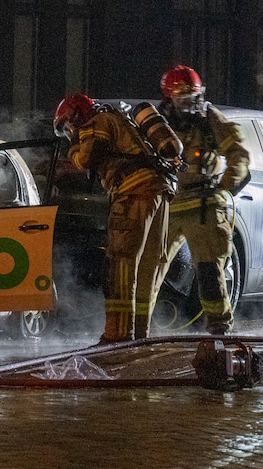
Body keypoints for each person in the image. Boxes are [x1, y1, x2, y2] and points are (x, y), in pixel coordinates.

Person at [53, 94, 179, 344]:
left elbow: (89, 157)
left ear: (76, 115)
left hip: (133, 191)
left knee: (121, 263)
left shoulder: (94, 122)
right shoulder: (122, 120)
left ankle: (119, 335)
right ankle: (140, 336)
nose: (70, 132)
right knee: (147, 266)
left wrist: (73, 152)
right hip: (159, 191)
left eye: (68, 126)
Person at [157, 65, 251, 335]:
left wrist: (226, 186)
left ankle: (219, 327)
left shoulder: (210, 118)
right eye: (183, 100)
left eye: (193, 98)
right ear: (169, 99)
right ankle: (137, 330)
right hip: (170, 206)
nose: (190, 106)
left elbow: (239, 153)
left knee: (210, 272)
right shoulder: (158, 125)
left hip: (204, 207)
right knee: (150, 271)